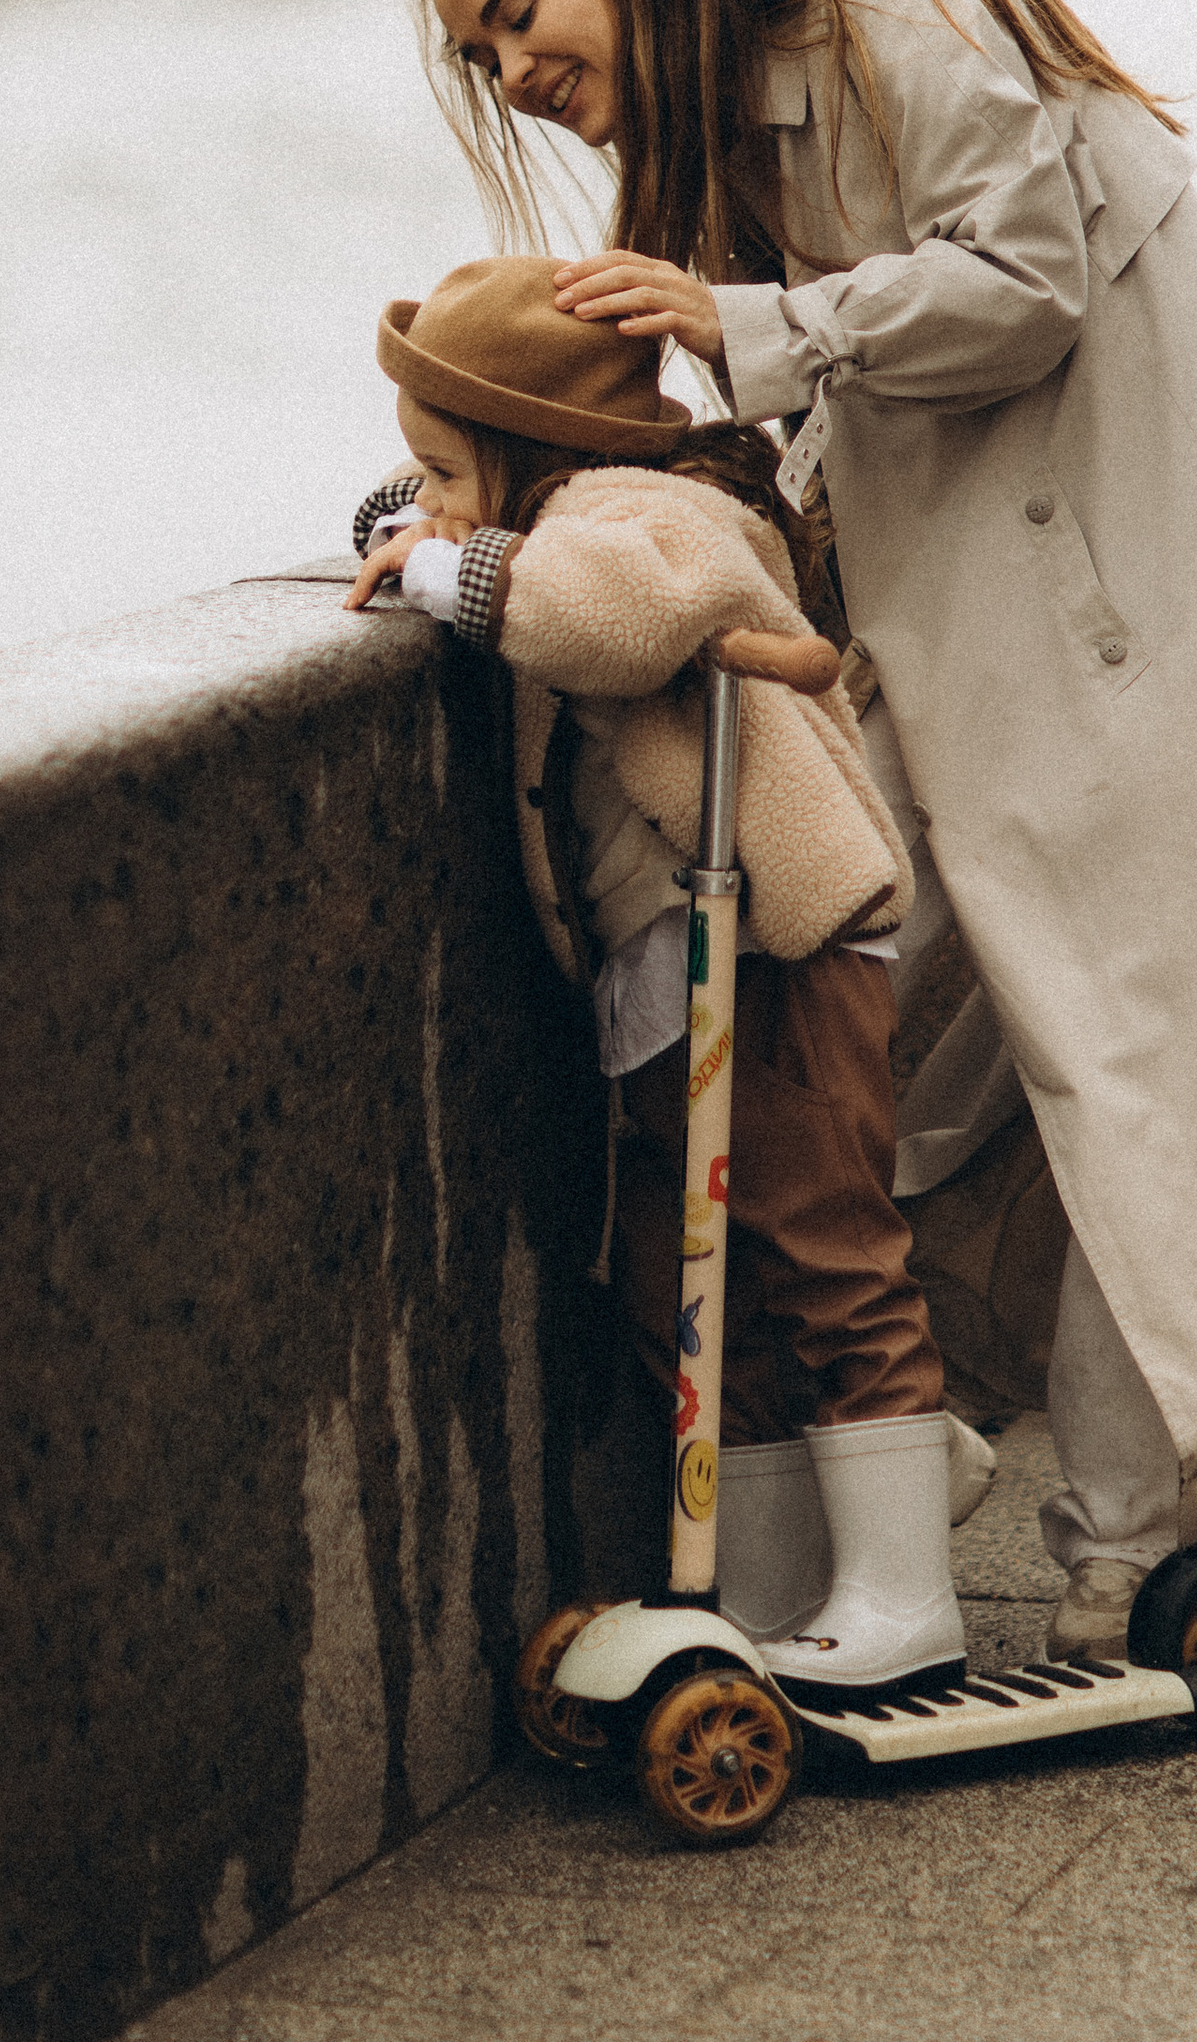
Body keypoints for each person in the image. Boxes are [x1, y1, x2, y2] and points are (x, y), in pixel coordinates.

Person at [417, 0, 1197, 1663]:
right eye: (480, 59)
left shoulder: (876, 4)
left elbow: (1030, 279)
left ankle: (1124, 1545)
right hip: (984, 598)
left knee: (1129, 1042)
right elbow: (757, 440)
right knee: (860, 1003)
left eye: (517, 14)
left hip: (1153, 565)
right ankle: (899, 1453)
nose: (515, 76)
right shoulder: (706, 150)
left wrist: (751, 321)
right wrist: (475, 509)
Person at [343, 253, 977, 1695]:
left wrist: (450, 561)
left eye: (444, 466)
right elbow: (451, 527)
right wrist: (424, 517)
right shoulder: (544, 502)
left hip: (781, 939)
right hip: (666, 963)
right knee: (688, 1280)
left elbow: (611, 616)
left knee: (825, 1243)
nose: (418, 494)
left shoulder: (660, 514)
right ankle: (748, 1593)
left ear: (531, 449)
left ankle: (903, 1591)